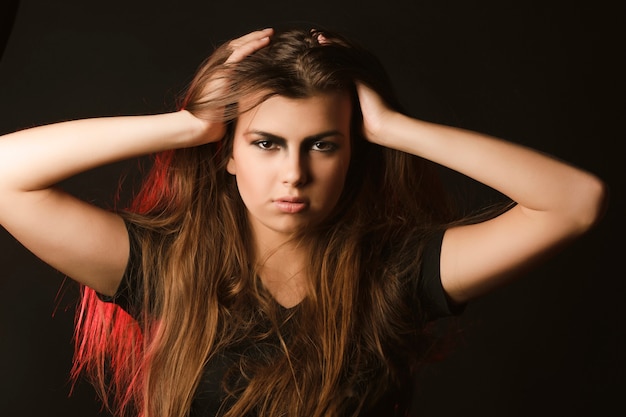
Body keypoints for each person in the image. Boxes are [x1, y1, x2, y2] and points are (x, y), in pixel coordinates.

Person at [0, 27, 606, 417]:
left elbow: (574, 202)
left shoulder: (395, 273)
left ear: (353, 151)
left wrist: (396, 130)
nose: (293, 173)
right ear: (227, 154)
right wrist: (187, 125)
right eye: (265, 143)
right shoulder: (167, 265)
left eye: (322, 145)